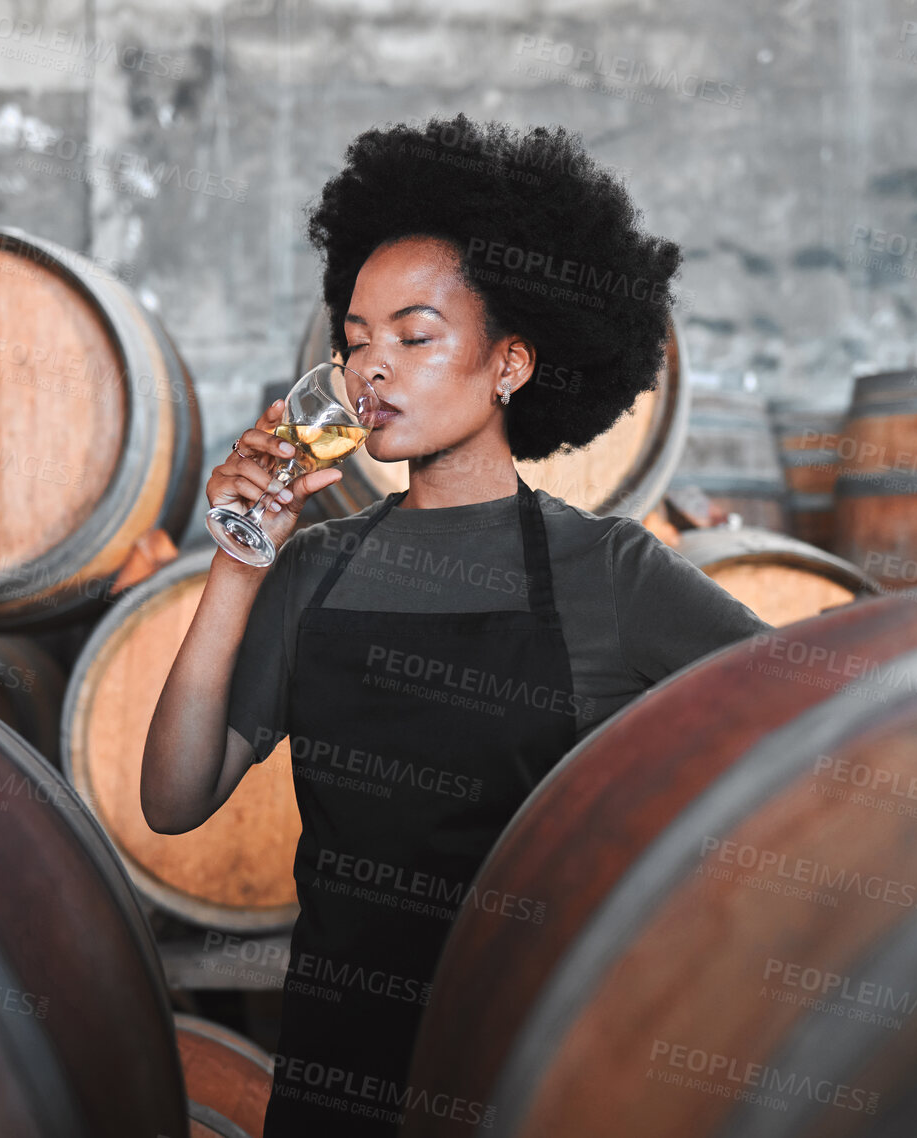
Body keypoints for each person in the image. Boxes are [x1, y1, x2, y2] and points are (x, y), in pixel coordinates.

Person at [142, 112, 772, 1137]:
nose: (371, 369)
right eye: (354, 343)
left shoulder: (608, 571)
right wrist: (236, 559)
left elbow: (809, 720)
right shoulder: (313, 570)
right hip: (336, 1077)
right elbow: (172, 799)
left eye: (414, 336)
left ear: (509, 363)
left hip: (533, 1076)